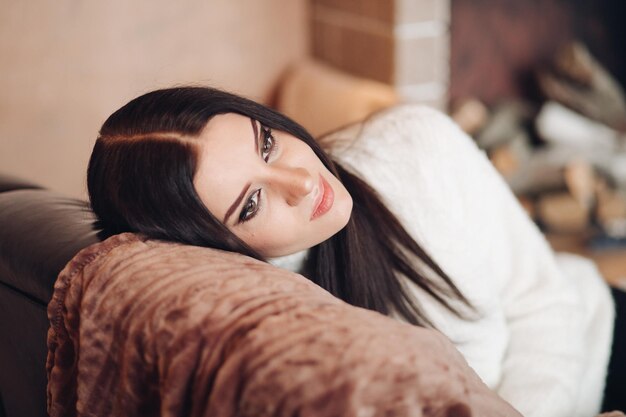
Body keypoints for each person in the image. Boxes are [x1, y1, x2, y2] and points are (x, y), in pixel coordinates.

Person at [87, 86, 624, 416]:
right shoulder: (265, 315)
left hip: (587, 332)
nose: (299, 181)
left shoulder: (415, 144)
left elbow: (544, 301)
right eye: (250, 205)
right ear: (208, 247)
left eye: (267, 143)